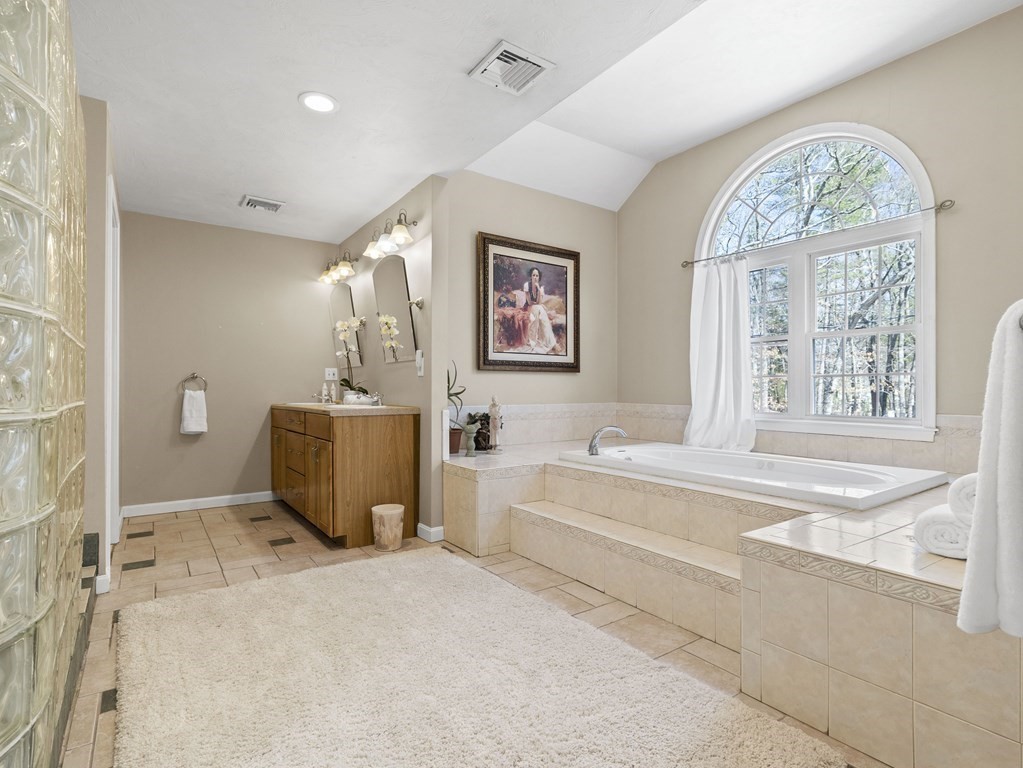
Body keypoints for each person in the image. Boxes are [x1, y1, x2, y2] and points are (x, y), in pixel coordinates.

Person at [523, 267, 556, 353]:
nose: (535, 277)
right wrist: (538, 304)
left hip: (537, 308)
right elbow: (530, 302)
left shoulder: (540, 288)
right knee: (538, 308)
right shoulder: (527, 285)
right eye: (533, 275)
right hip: (528, 307)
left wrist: (538, 289)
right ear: (531, 276)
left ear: (539, 277)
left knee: (540, 309)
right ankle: (533, 340)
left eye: (537, 275)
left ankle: (548, 341)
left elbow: (539, 302)